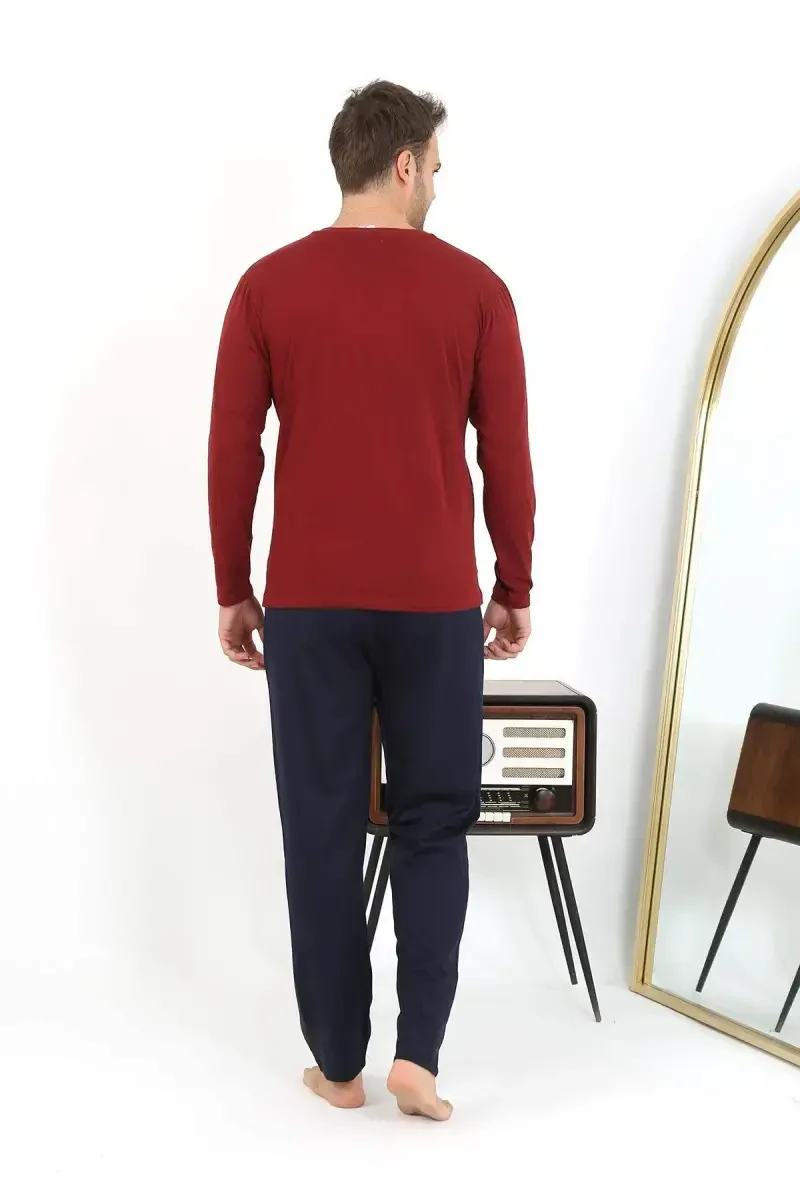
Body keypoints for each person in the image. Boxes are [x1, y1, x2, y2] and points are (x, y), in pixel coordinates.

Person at [208, 80, 535, 1121]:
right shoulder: (476, 290)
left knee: (321, 826)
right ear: (401, 164)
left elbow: (232, 451)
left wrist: (233, 588)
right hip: (435, 605)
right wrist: (512, 585)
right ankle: (418, 1061)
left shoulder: (266, 288)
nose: (437, 181)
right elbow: (505, 456)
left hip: (309, 604)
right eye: (434, 165)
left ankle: (338, 1065)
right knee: (435, 821)